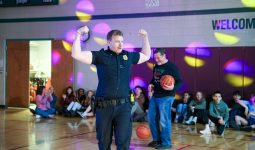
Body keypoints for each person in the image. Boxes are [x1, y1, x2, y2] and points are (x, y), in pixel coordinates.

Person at [71, 26, 151, 150]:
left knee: (123, 143)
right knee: (104, 143)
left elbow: (146, 55)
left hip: (124, 107)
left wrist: (145, 38)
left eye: (122, 41)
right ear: (109, 42)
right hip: (104, 107)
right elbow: (76, 54)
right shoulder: (100, 56)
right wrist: (77, 35)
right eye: (117, 41)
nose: (121, 44)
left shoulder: (128, 57)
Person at [147, 48, 182, 149]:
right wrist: (151, 84)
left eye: (158, 58)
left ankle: (166, 143)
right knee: (151, 118)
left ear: (164, 55)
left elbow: (179, 81)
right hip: (156, 95)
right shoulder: (157, 65)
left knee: (164, 120)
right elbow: (155, 78)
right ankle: (156, 140)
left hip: (167, 96)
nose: (156, 60)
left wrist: (173, 87)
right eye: (155, 58)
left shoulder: (172, 67)